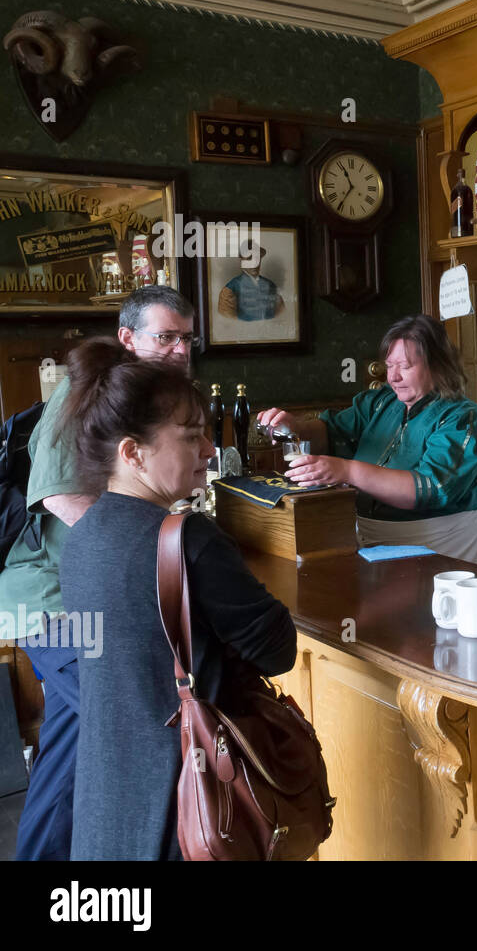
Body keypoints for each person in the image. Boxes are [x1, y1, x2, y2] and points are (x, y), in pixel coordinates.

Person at [57, 338, 296, 860]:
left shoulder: (84, 537)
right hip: (189, 803)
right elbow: (278, 650)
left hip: (107, 799)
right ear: (132, 452)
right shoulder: (186, 539)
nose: (209, 449)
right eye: (190, 436)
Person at [1, 284, 198, 861]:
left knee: (71, 746)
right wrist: (145, 555)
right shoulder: (83, 391)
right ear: (128, 337)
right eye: (166, 337)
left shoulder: (139, 394)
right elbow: (62, 496)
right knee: (134, 724)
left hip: (76, 599)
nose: (179, 350)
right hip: (53, 601)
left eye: (187, 339)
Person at [257, 314, 477, 565]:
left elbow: (431, 488)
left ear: (437, 365)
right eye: (390, 366)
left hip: (442, 544)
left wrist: (346, 470)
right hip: (370, 541)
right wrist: (294, 427)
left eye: (405, 366)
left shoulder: (462, 418)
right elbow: (331, 431)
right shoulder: (381, 402)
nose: (393, 377)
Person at [217, 245, 285, 321]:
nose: (254, 263)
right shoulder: (229, 290)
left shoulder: (271, 286)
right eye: (249, 259)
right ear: (242, 262)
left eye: (257, 258)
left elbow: (281, 313)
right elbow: (228, 320)